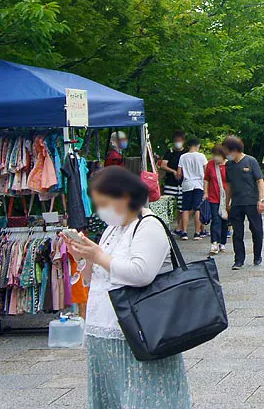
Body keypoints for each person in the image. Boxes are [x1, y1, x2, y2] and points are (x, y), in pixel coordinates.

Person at [63, 167, 190, 408]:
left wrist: (98, 256)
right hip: (103, 328)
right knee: (112, 398)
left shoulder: (149, 225)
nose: (101, 211)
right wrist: (82, 256)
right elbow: (96, 278)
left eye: (105, 203)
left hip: (140, 332)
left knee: (144, 397)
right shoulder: (113, 228)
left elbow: (140, 274)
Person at [223, 136, 264, 270]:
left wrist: (261, 200)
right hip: (236, 202)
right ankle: (238, 260)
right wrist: (227, 202)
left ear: (235, 150)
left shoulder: (250, 161)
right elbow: (229, 185)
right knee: (237, 232)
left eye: (227, 151)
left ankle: (257, 255)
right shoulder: (228, 165)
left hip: (252, 202)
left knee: (257, 230)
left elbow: (260, 181)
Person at [173, 138, 207, 241]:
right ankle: (197, 233)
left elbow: (179, 173)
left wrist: (180, 176)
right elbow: (206, 171)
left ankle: (184, 232)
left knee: (185, 209)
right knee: (197, 208)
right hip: (199, 184)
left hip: (187, 184)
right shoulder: (201, 156)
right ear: (198, 146)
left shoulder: (183, 157)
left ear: (188, 146)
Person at [204, 145, 229, 255]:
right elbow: (206, 179)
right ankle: (214, 242)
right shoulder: (210, 165)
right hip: (213, 197)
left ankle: (222, 242)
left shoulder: (229, 165)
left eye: (217, 155)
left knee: (225, 220)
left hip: (226, 198)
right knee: (216, 219)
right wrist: (205, 193)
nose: (215, 158)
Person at [157, 130, 186, 213]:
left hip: (183, 184)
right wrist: (173, 171)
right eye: (176, 141)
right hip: (170, 183)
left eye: (179, 141)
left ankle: (181, 225)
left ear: (183, 141)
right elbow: (163, 165)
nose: (177, 143)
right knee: (167, 207)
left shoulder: (186, 153)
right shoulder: (169, 153)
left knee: (182, 209)